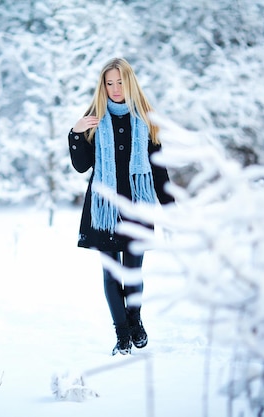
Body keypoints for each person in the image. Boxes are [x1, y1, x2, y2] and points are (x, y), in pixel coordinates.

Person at [68, 57, 174, 355]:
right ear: (103, 85)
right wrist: (76, 134)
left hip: (137, 207)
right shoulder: (94, 116)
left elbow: (158, 168)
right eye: (109, 83)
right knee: (112, 275)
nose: (115, 88)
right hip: (103, 207)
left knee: (133, 273)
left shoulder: (145, 118)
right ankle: (123, 336)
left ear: (130, 82)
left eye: (120, 82)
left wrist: (171, 208)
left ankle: (135, 320)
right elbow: (81, 166)